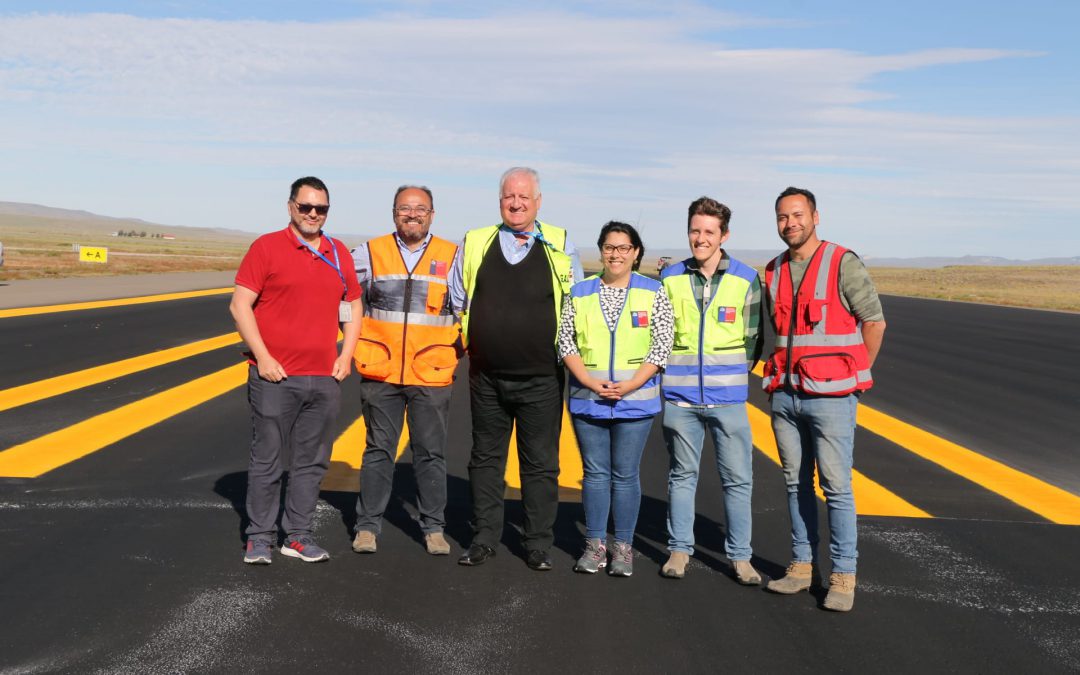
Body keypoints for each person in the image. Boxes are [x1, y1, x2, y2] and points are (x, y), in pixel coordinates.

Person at [449, 166, 583, 570]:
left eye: (525, 196)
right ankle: (484, 538)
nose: (516, 202)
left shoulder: (559, 242)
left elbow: (575, 301)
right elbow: (458, 296)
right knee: (485, 458)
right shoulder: (476, 241)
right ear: (500, 200)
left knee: (540, 463)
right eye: (510, 195)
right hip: (486, 376)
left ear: (538, 202)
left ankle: (538, 543)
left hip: (541, 377)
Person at [762, 186, 886, 612]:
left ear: (816, 217)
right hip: (786, 395)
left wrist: (854, 375)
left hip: (832, 397)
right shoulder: (774, 270)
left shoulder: (840, 262)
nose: (790, 223)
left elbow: (874, 322)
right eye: (782, 217)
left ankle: (843, 575)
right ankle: (801, 567)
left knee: (836, 487)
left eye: (797, 214)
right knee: (795, 482)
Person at [230, 176, 362, 564]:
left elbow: (353, 307)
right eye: (305, 207)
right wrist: (264, 357)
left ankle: (298, 535)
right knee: (268, 458)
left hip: (323, 377)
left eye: (320, 208)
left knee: (311, 460)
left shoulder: (338, 252)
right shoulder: (267, 247)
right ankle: (259, 537)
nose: (313, 214)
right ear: (290, 207)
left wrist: (347, 354)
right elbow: (240, 305)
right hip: (275, 377)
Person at [349, 185, 460, 557]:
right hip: (380, 372)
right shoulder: (368, 253)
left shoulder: (454, 257)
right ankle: (367, 528)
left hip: (432, 372)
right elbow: (345, 299)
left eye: (420, 208)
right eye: (404, 208)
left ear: (432, 213)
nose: (412, 214)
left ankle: (433, 529)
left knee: (430, 453)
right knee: (378, 450)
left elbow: (469, 309)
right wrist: (355, 340)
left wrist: (455, 350)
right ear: (393, 212)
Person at [659, 197, 764, 584]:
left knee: (738, 479)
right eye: (695, 230)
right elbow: (661, 335)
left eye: (708, 231)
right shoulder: (669, 279)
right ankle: (679, 551)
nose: (700, 238)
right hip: (681, 399)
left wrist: (727, 378)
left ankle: (740, 557)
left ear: (724, 235)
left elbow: (754, 341)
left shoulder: (745, 278)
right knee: (681, 475)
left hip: (729, 400)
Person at [559, 222, 673, 577]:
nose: (616, 254)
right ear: (601, 250)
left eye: (624, 248)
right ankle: (595, 546)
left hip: (635, 400)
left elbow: (662, 343)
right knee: (594, 474)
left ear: (636, 252)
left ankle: (623, 547)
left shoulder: (654, 292)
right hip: (587, 398)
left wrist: (630, 385)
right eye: (610, 247)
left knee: (625, 475)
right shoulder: (579, 292)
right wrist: (589, 381)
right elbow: (566, 341)